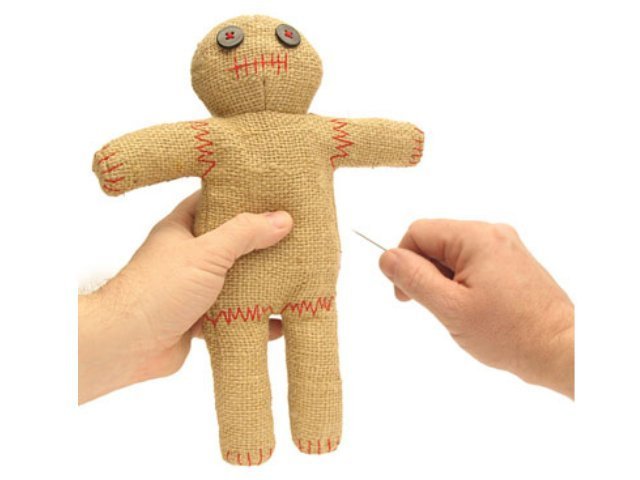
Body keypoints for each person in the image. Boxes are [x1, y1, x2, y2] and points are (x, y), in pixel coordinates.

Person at [78, 191, 574, 403]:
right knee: (244, 378)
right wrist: (554, 335)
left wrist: (553, 336)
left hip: (303, 294)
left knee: (310, 366)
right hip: (237, 298)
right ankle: (253, 435)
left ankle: (309, 428)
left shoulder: (316, 135)